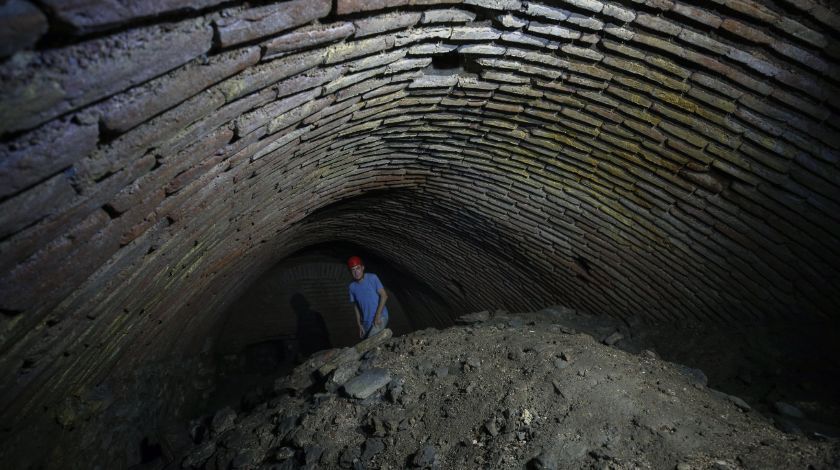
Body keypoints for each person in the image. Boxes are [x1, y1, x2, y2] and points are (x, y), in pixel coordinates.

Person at [347, 256, 389, 339]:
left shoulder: (372, 278)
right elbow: (356, 306)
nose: (356, 272)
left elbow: (384, 296)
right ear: (351, 272)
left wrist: (377, 315)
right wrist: (359, 324)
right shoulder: (352, 287)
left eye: (358, 268)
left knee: (370, 344)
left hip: (380, 316)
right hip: (366, 322)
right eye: (353, 270)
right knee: (366, 344)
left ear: (362, 268)